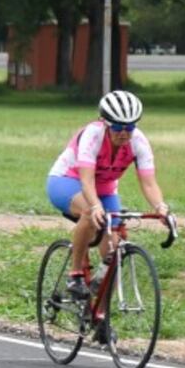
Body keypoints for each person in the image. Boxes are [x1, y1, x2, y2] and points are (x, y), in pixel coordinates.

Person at [46, 90, 169, 303]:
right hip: (67, 180)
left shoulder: (138, 141)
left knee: (115, 245)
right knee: (89, 213)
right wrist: (95, 206)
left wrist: (160, 207)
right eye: (118, 127)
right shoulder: (92, 135)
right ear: (104, 122)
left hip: (105, 188)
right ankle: (74, 276)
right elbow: (86, 181)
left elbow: (149, 183)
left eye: (129, 127)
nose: (124, 133)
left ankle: (101, 317)